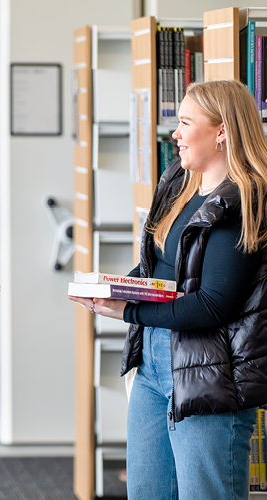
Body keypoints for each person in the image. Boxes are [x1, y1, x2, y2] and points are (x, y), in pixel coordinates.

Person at [69, 79, 267, 500]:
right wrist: (112, 285)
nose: (174, 134)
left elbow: (212, 305)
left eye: (184, 122)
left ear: (222, 131)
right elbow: (157, 266)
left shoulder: (245, 202)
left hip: (208, 374)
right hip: (155, 365)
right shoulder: (181, 185)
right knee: (147, 491)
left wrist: (126, 311)